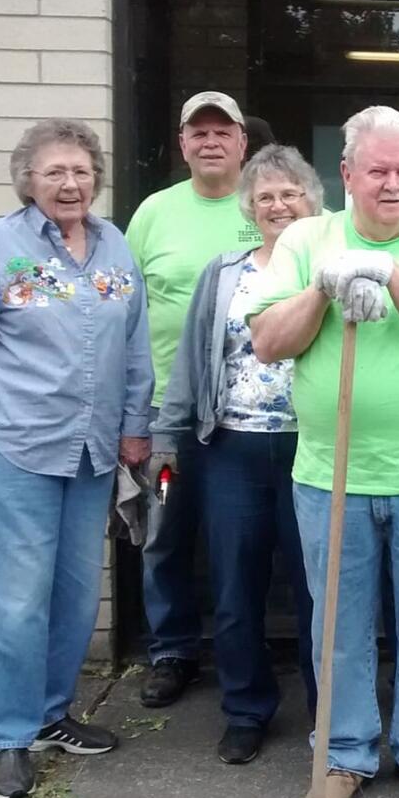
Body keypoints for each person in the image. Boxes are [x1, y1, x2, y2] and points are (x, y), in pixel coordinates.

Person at [248, 106, 399, 798]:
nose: (392, 184)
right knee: (338, 625)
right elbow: (267, 341)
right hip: (330, 475)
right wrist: (323, 286)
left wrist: (388, 272)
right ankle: (344, 754)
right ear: (346, 174)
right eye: (376, 170)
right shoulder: (303, 240)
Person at [0, 118, 153, 798]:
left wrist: (135, 429)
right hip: (14, 447)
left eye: (82, 170)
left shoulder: (114, 247)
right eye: (55, 171)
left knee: (76, 597)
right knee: (19, 602)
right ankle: (12, 738)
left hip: (89, 453)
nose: (70, 183)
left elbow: (136, 348)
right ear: (28, 180)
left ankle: (54, 716)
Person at [149, 144, 323, 764]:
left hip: (314, 448)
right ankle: (246, 709)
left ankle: (328, 714)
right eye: (266, 196)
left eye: (290, 193)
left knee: (318, 589)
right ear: (251, 207)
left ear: (313, 201)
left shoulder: (330, 266)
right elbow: (195, 363)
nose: (278, 204)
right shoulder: (225, 272)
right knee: (234, 587)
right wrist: (168, 437)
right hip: (230, 448)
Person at [125, 91, 260, 708]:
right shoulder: (154, 213)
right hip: (169, 416)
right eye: (197, 133)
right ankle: (173, 649)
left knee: (248, 541)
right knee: (166, 527)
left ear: (242, 143)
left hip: (248, 414)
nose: (210, 142)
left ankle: (255, 653)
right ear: (182, 145)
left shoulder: (264, 207)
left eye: (221, 132)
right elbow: (124, 313)